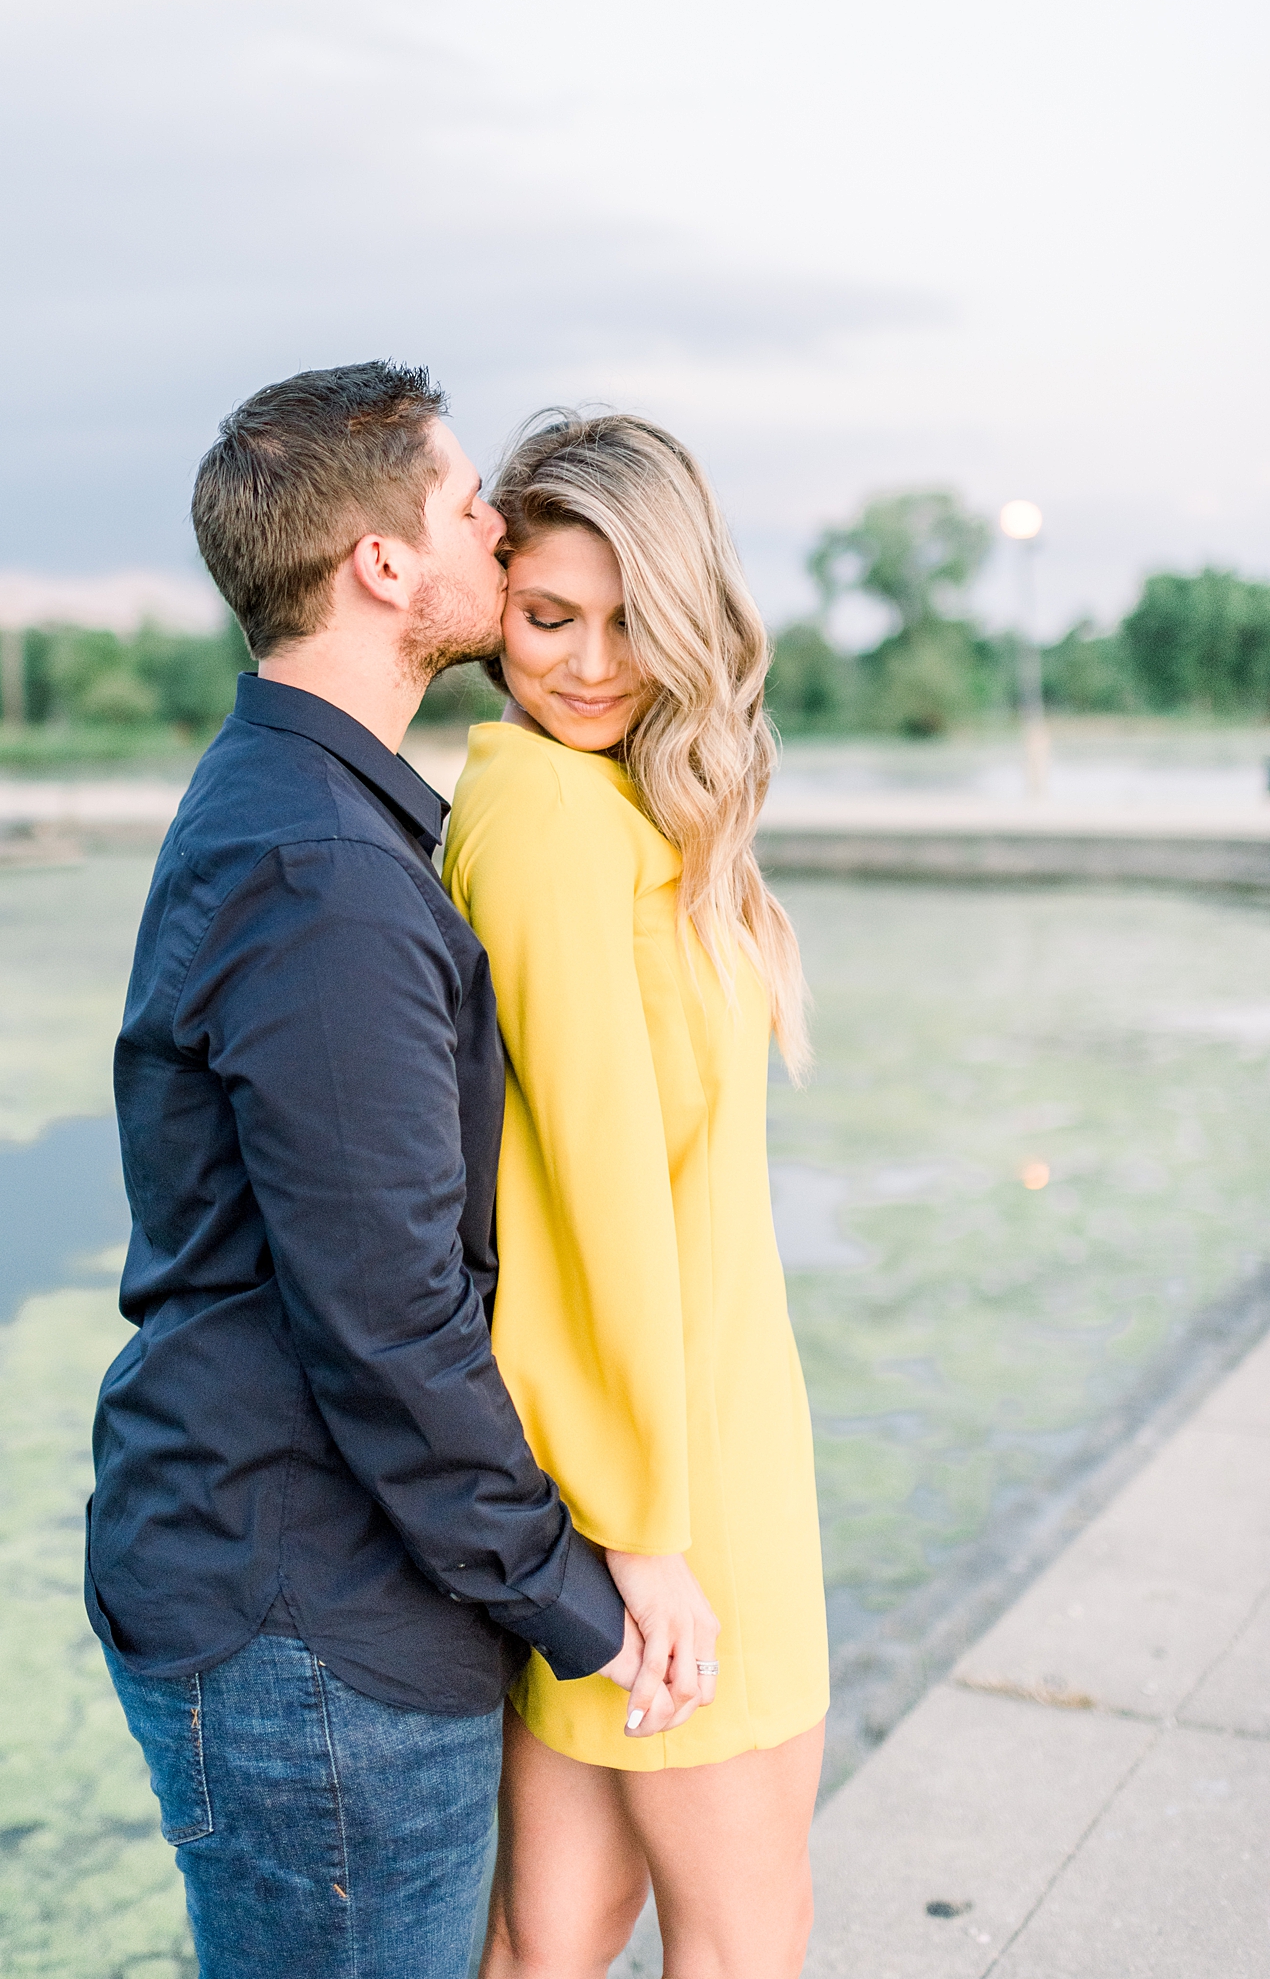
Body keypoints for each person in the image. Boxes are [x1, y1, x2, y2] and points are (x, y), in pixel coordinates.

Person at [85, 365, 692, 1979]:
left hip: (313, 1598)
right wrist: (578, 1593)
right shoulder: (323, 871)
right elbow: (385, 1321)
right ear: (382, 567)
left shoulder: (311, 811)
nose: (497, 530)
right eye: (466, 508)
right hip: (311, 1633)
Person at [444, 411, 830, 1979]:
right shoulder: (541, 814)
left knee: (556, 1940)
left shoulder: (630, 814)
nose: (591, 664)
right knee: (745, 1942)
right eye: (547, 618)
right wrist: (647, 1532)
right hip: (677, 1493)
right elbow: (591, 1193)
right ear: (494, 612)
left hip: (655, 1464)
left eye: (630, 623)